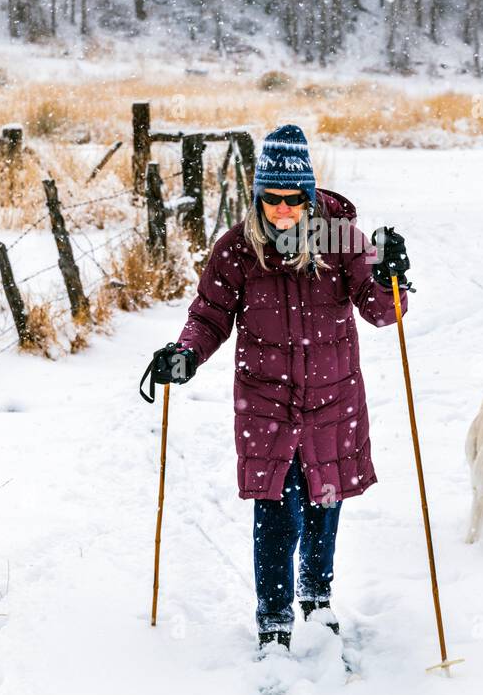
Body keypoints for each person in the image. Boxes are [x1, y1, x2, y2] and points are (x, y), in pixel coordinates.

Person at [143, 123, 412, 658]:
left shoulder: (341, 240)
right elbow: (211, 315)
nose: (283, 211)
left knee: (324, 505)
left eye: (294, 200)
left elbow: (383, 312)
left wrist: (392, 276)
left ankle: (317, 599)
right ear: (259, 196)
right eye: (272, 200)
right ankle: (274, 620)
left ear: (310, 198)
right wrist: (186, 353)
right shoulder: (238, 248)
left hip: (333, 400)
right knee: (276, 513)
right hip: (266, 402)